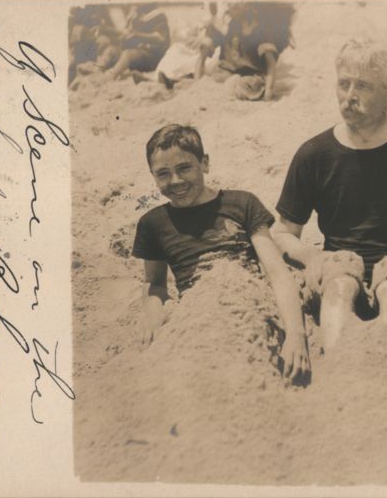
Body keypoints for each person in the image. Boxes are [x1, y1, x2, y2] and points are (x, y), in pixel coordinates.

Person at [273, 37, 387, 368]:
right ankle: (342, 373)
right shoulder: (314, 154)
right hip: (337, 265)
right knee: (341, 285)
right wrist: (311, 255)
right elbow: (283, 233)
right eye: (344, 83)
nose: (350, 96)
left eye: (363, 85)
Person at [132, 124, 310, 379]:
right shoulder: (153, 223)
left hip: (249, 306)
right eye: (163, 174)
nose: (176, 181)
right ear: (152, 175)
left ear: (204, 163)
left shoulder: (241, 203)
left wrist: (296, 335)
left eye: (184, 168)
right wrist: (153, 315)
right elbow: (155, 284)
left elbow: (276, 272)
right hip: (198, 314)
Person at [195, 2, 294, 101]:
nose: (232, 4)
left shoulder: (259, 30)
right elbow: (203, 53)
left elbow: (271, 64)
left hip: (251, 75)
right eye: (230, 1)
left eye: (238, 1)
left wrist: (268, 91)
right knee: (218, 79)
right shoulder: (225, 26)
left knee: (244, 85)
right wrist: (197, 84)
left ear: (248, 5)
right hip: (226, 72)